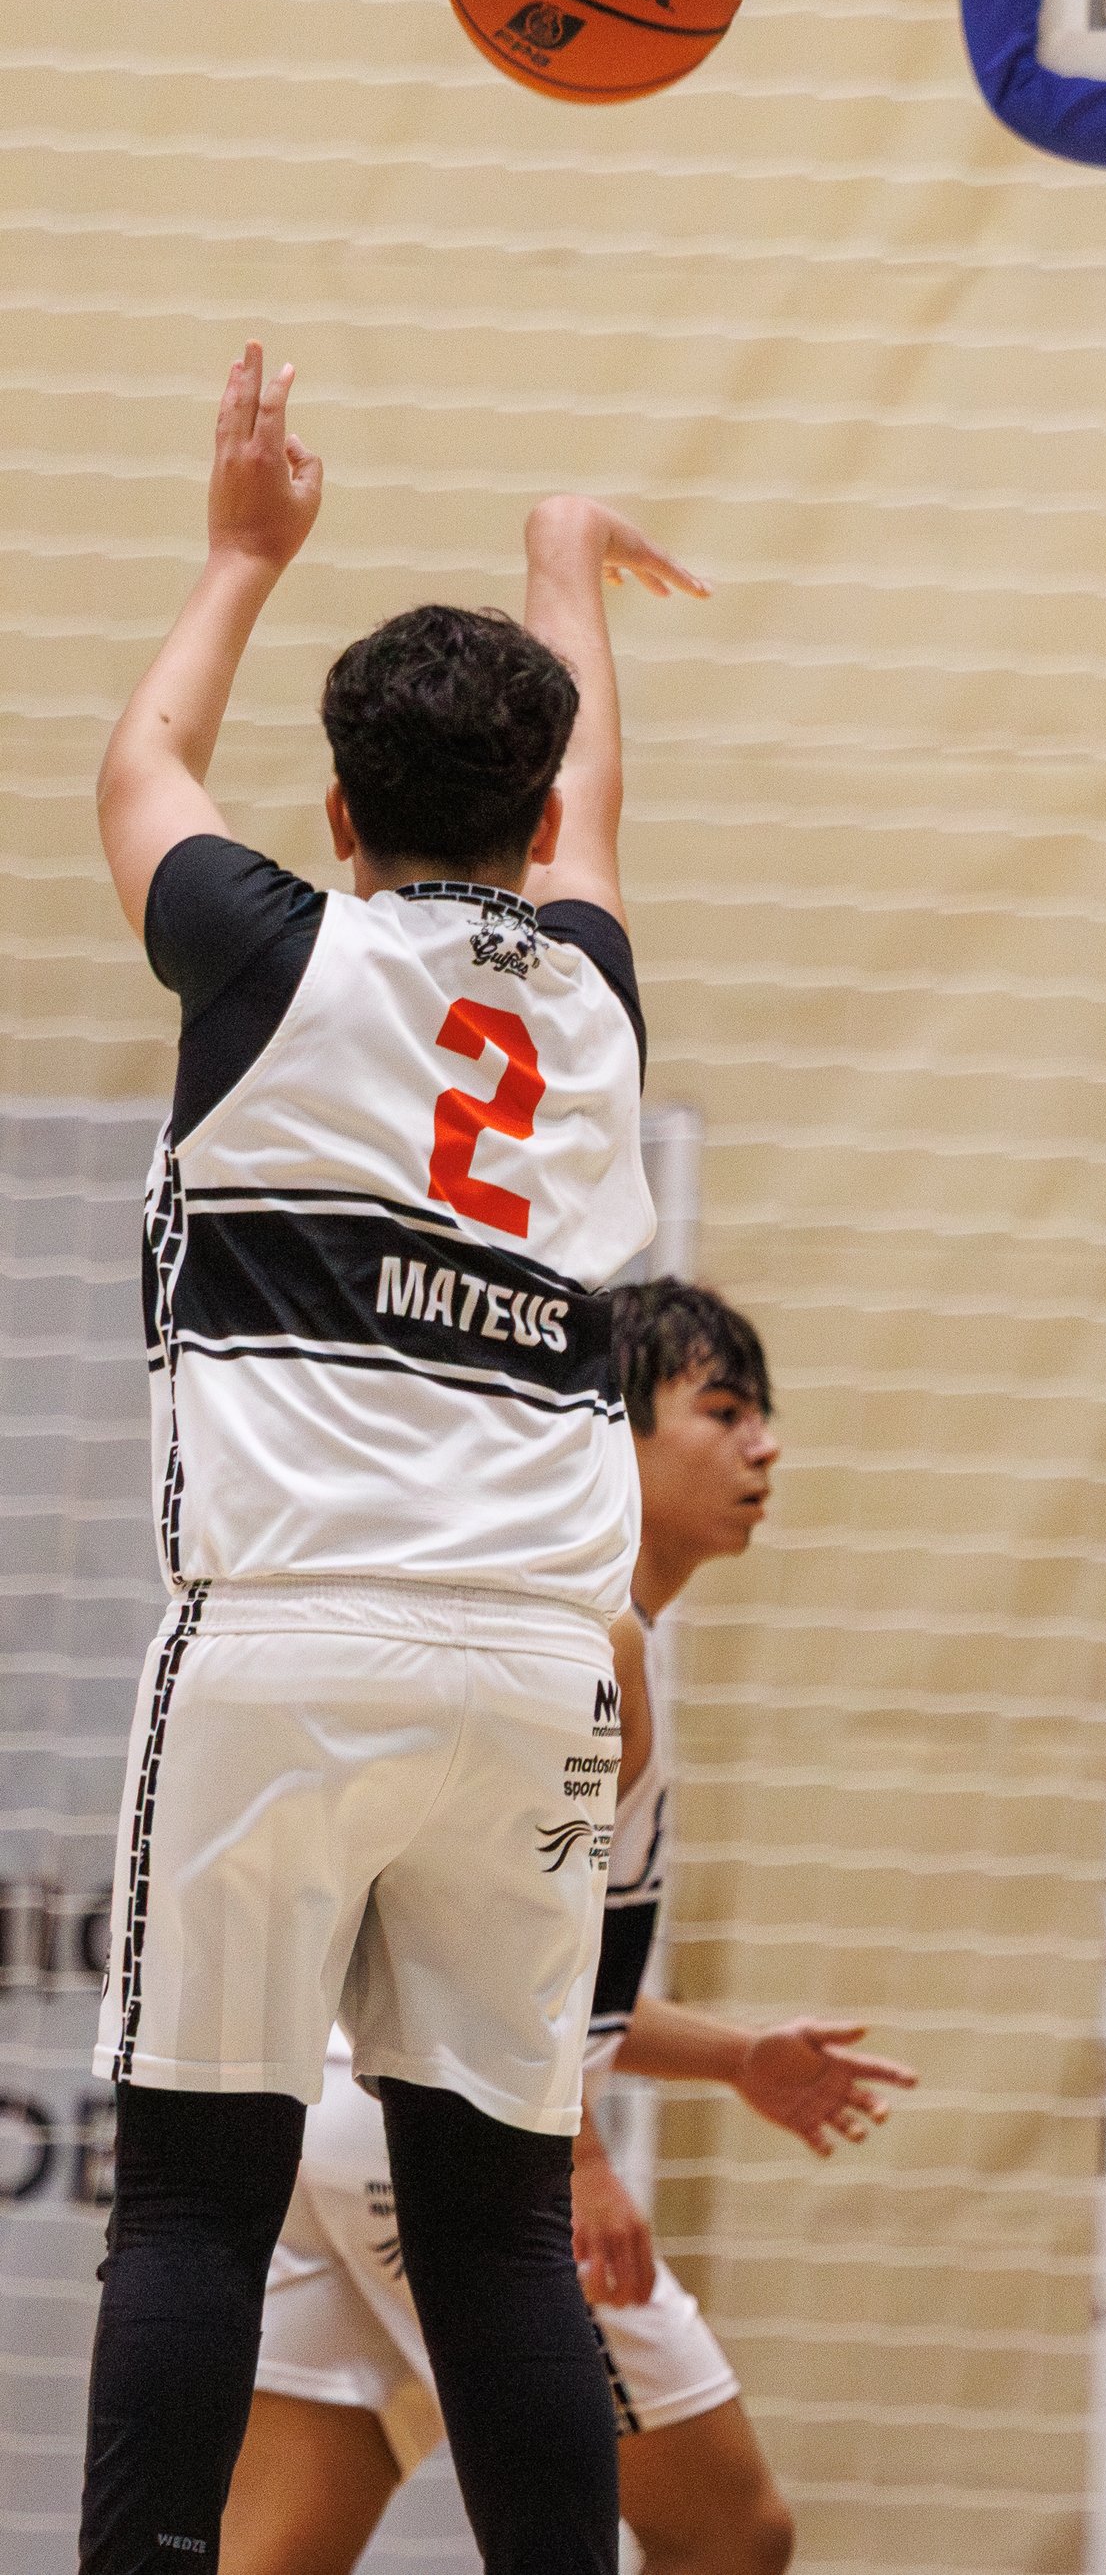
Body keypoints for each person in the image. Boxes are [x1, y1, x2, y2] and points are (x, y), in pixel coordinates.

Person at [83, 344, 702, 2575]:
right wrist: (567, 568)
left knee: (193, 2188)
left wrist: (245, 551)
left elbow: (137, 759)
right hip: (534, 1666)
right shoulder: (591, 996)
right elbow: (602, 800)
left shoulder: (264, 947)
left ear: (332, 816)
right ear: (538, 836)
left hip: (294, 1643)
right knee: (495, 2227)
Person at [225, 1279, 914, 2575]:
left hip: (346, 2122)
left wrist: (731, 2057)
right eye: (724, 1411)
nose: (765, 1445)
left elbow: (523, 1967)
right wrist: (583, 2158)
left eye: (765, 1414)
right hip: (457, 2141)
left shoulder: (583, 1617)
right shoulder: (595, 1635)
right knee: (731, 2531)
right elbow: (491, 1963)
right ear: (606, 1430)